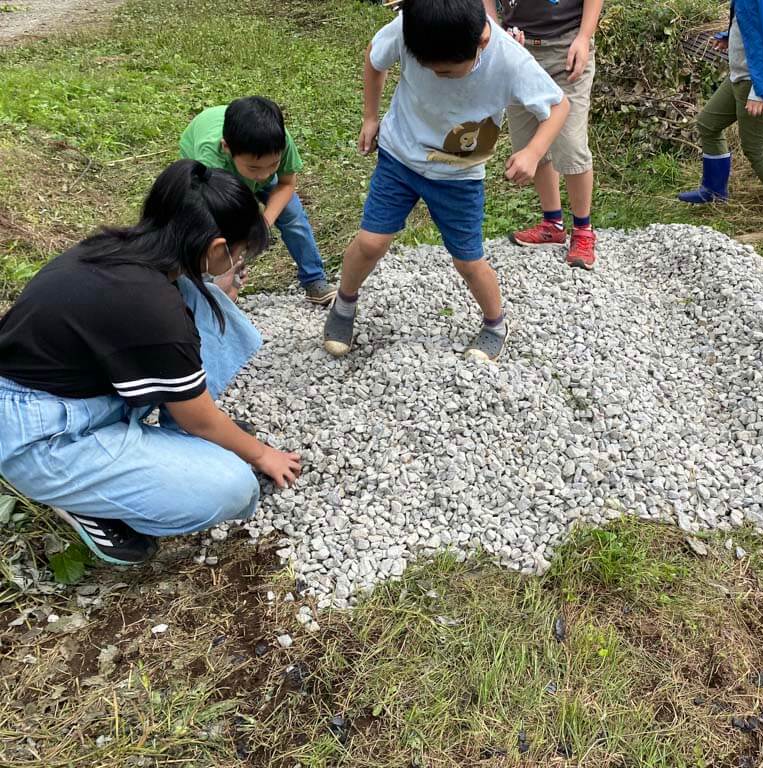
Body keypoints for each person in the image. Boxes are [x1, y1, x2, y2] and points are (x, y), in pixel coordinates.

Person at [0, 160, 302, 567]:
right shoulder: (155, 308)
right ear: (215, 248)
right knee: (233, 486)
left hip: (70, 391)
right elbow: (202, 421)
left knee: (204, 300)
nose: (239, 261)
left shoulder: (118, 251)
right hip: (41, 434)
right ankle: (83, 500)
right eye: (239, 252)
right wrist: (262, 454)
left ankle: (155, 452)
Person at [323, 0, 569, 362]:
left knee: (468, 261)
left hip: (459, 176)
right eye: (429, 69)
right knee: (371, 242)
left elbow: (559, 105)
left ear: (480, 42)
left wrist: (533, 152)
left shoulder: (509, 59)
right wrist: (370, 116)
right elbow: (375, 57)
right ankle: (343, 305)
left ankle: (495, 324)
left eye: (448, 72)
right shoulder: (411, 26)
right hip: (399, 157)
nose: (438, 76)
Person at [179, 96, 336, 305]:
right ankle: (209, 286)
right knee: (214, 231)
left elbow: (287, 184)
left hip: (241, 170)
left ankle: (314, 280)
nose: (263, 175)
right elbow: (215, 213)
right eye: (254, 168)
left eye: (273, 165)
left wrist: (264, 224)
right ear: (227, 148)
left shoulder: (280, 142)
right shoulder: (210, 158)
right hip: (218, 179)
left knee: (293, 216)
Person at [484, 0, 603, 270]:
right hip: (518, 49)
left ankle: (583, 229)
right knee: (529, 142)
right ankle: (553, 223)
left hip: (566, 48)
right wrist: (495, 30)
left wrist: (584, 38)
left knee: (571, 144)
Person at [677, 0, 763, 225]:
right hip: (739, 77)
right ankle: (714, 191)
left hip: (757, 83)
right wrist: (729, 36)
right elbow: (751, 20)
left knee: (757, 149)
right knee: (708, 123)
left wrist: (761, 90)